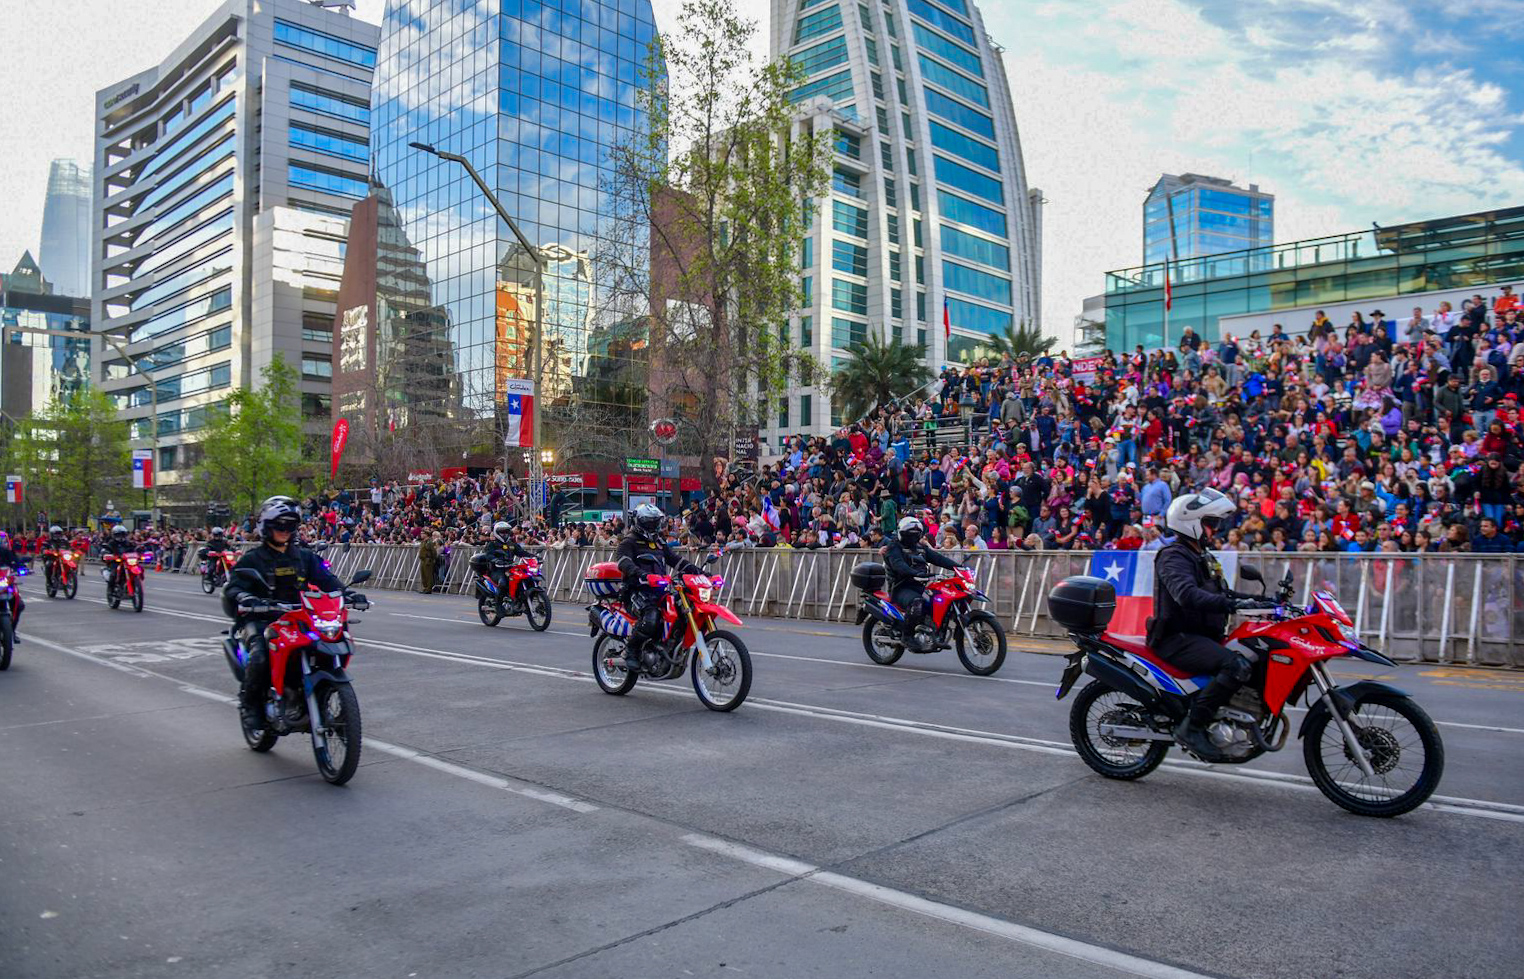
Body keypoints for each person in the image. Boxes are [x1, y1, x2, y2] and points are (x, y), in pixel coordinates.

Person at [1146, 489, 1271, 758]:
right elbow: (1187, 594)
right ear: (1189, 522)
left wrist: (1263, 602)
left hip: (1202, 635)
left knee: (1256, 654)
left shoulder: (1203, 556)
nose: (1214, 530)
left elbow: (1223, 594)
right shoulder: (1173, 556)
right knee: (1235, 664)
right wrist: (1233, 605)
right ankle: (1192, 728)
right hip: (1176, 637)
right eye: (1209, 523)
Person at [224, 497, 347, 733]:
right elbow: (233, 587)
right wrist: (245, 597)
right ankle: (250, 705)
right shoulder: (252, 559)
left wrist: (348, 593)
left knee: (330, 642)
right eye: (279, 525)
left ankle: (315, 698)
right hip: (261, 618)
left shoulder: (304, 557)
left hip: (297, 618)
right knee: (260, 655)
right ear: (266, 527)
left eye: (290, 526)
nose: (284, 531)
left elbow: (328, 580)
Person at [615, 503, 704, 671]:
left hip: (659, 591)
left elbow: (677, 561)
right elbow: (623, 561)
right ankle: (630, 651)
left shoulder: (659, 542)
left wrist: (700, 573)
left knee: (681, 611)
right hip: (635, 591)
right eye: (650, 522)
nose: (653, 526)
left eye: (655, 522)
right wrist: (642, 575)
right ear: (640, 522)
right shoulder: (629, 541)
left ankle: (665, 645)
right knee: (651, 616)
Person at [882, 515, 961, 649]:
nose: (913, 538)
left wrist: (958, 567)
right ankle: (907, 636)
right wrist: (915, 573)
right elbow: (899, 565)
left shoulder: (920, 547)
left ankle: (935, 632)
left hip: (919, 585)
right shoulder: (894, 547)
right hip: (900, 587)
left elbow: (938, 558)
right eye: (910, 535)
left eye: (916, 535)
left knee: (939, 597)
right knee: (916, 602)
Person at [480, 520, 535, 606]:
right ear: (496, 532)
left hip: (510, 568)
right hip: (496, 570)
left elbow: (521, 552)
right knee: (503, 583)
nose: (504, 534)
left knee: (527, 578)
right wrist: (496, 560)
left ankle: (519, 599)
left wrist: (533, 556)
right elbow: (489, 556)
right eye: (502, 532)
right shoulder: (492, 544)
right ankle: (498, 606)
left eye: (506, 532)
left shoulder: (511, 544)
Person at [0, 532, 26, 641]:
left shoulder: (6, 552)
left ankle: (12, 630)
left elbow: (15, 561)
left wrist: (22, 568)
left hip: (5, 583)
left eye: (2, 540)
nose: (2, 542)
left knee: (19, 605)